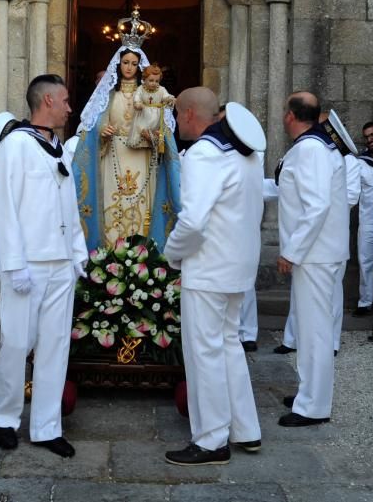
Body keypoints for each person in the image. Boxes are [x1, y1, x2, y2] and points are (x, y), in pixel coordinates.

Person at [163, 90, 264, 466]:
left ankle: (210, 441)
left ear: (189, 114)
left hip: (207, 268)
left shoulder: (205, 153)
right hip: (237, 267)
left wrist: (172, 254)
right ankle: (245, 429)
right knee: (228, 346)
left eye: (176, 114)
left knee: (203, 353)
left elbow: (192, 220)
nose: (176, 121)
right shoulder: (246, 153)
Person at [0, 75, 88, 458]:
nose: (68, 107)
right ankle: (5, 418)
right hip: (27, 263)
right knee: (17, 343)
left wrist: (77, 252)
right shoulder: (16, 145)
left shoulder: (58, 147)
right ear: (47, 100)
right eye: (64, 100)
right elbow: (5, 207)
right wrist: (13, 263)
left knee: (56, 345)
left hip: (61, 261)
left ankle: (47, 426)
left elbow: (70, 204)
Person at [274, 94, 350, 427]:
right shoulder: (315, 146)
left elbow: (316, 205)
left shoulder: (311, 150)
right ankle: (309, 393)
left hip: (316, 254)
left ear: (291, 115)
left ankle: (314, 406)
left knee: (316, 330)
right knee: (308, 327)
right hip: (318, 252)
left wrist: (292, 250)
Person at [71, 34, 181, 252]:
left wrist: (154, 138)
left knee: (142, 207)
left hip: (143, 158)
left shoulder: (153, 96)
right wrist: (103, 133)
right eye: (125, 63)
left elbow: (164, 136)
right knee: (114, 208)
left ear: (140, 66)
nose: (129, 68)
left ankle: (140, 255)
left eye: (134, 63)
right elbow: (92, 134)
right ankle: (111, 255)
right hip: (113, 156)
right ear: (117, 64)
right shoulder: (108, 98)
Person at [352, 122, 373, 320]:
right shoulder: (360, 162)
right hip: (368, 219)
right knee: (366, 262)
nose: (370, 139)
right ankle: (365, 302)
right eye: (367, 136)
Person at [127, 63, 175, 149]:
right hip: (144, 113)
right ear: (144, 79)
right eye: (151, 80)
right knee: (141, 127)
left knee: (156, 131)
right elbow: (137, 97)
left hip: (156, 115)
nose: (154, 83)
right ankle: (143, 138)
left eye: (157, 81)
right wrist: (138, 104)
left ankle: (152, 139)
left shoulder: (161, 89)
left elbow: (166, 96)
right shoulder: (141, 89)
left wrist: (170, 99)